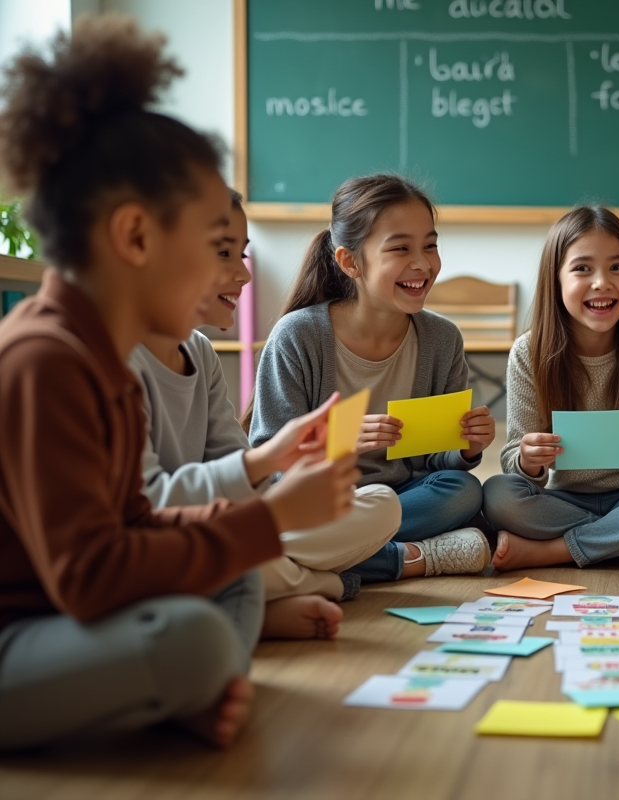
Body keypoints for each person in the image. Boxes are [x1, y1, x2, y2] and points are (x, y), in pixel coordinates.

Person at [0, 18, 358, 750]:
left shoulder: (104, 357)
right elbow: (91, 576)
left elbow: (135, 523)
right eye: (211, 245)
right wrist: (267, 517)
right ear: (135, 238)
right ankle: (181, 683)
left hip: (70, 621)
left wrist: (260, 521)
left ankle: (172, 691)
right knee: (190, 636)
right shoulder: (43, 359)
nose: (228, 273)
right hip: (28, 631)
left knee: (235, 577)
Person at [130, 190, 401, 640]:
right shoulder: (114, 363)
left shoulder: (200, 352)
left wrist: (289, 463)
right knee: (179, 569)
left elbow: (241, 473)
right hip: (165, 544)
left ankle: (252, 589)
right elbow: (147, 507)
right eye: (223, 253)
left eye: (242, 254)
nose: (242, 274)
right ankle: (308, 584)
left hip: (216, 533)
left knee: (384, 503)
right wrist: (271, 472)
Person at [250, 174, 493, 582]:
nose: (422, 263)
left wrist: (466, 449)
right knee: (281, 517)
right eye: (400, 248)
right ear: (350, 262)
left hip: (401, 499)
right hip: (320, 501)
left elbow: (435, 458)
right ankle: (408, 559)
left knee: (463, 490)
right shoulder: (298, 336)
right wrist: (338, 442)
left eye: (430, 245)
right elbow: (268, 462)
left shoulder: (441, 338)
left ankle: (326, 560)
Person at [482, 206, 619, 572]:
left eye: (617, 267)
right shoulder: (528, 352)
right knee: (498, 495)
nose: (602, 282)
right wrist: (528, 460)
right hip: (561, 499)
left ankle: (554, 552)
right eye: (582, 268)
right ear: (556, 279)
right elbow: (512, 457)